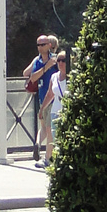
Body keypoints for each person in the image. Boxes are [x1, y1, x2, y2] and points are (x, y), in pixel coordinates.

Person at [22, 34, 57, 165]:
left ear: (49, 45)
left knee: (48, 129)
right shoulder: (37, 61)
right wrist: (45, 68)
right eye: (38, 45)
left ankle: (47, 158)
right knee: (44, 127)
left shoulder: (55, 59)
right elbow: (32, 77)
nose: (40, 47)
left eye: (43, 44)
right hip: (42, 98)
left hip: (53, 99)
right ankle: (37, 145)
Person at [48, 47, 69, 143]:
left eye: (63, 60)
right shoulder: (54, 76)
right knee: (56, 140)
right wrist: (42, 109)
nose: (60, 63)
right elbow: (50, 94)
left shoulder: (72, 77)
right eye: (58, 60)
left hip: (67, 112)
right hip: (55, 112)